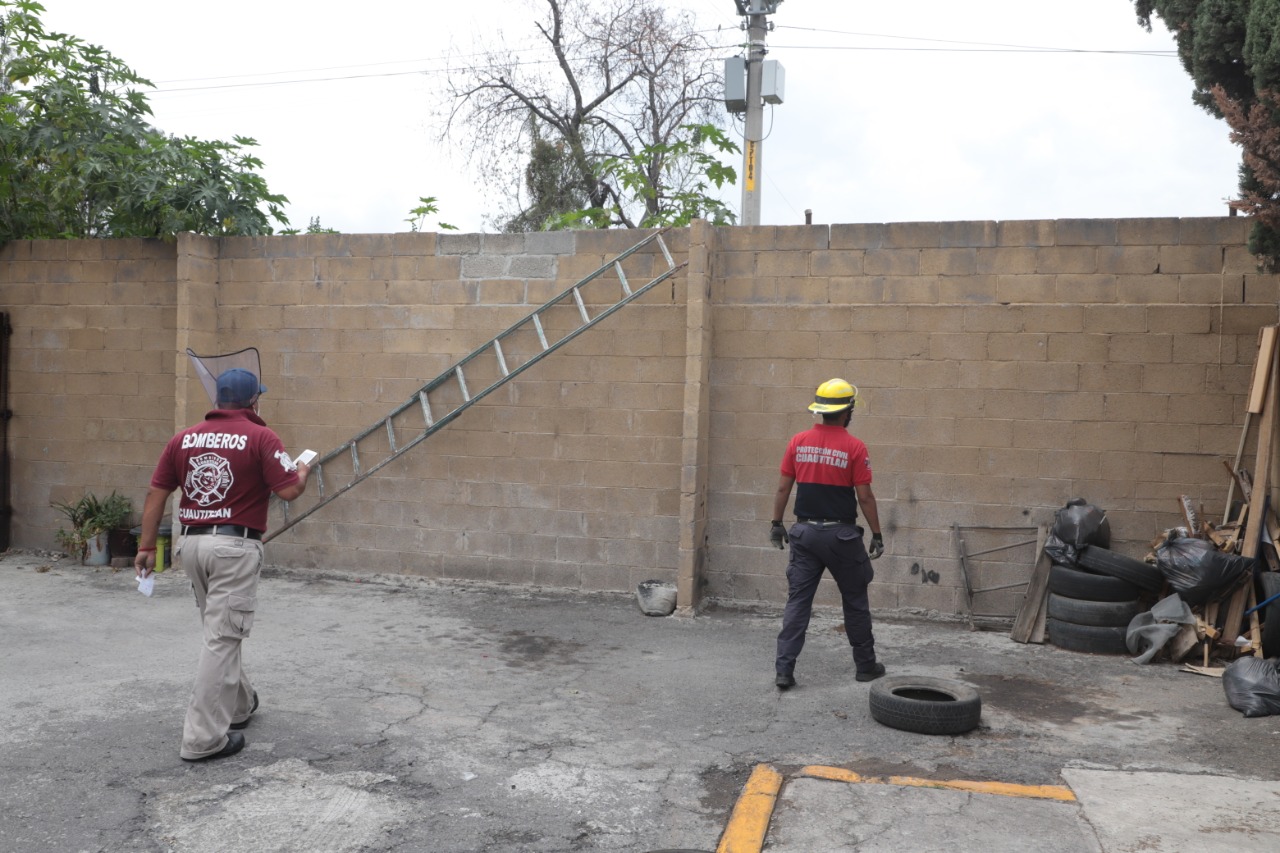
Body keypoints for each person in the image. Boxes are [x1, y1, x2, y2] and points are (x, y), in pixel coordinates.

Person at [134, 368, 310, 761]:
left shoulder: (185, 437)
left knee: (220, 627)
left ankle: (239, 705)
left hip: (192, 545)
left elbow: (156, 493)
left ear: (218, 399)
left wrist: (146, 546)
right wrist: (301, 472)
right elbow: (289, 491)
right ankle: (202, 739)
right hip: (234, 547)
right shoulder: (261, 436)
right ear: (253, 401)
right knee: (222, 636)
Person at [769, 378, 885, 690]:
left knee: (798, 602)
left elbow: (783, 488)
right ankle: (865, 666)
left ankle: (784, 671)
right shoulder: (855, 447)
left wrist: (776, 523)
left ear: (820, 410)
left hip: (804, 534)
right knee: (855, 600)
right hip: (841, 537)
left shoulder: (798, 442)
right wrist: (877, 534)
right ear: (848, 411)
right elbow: (865, 497)